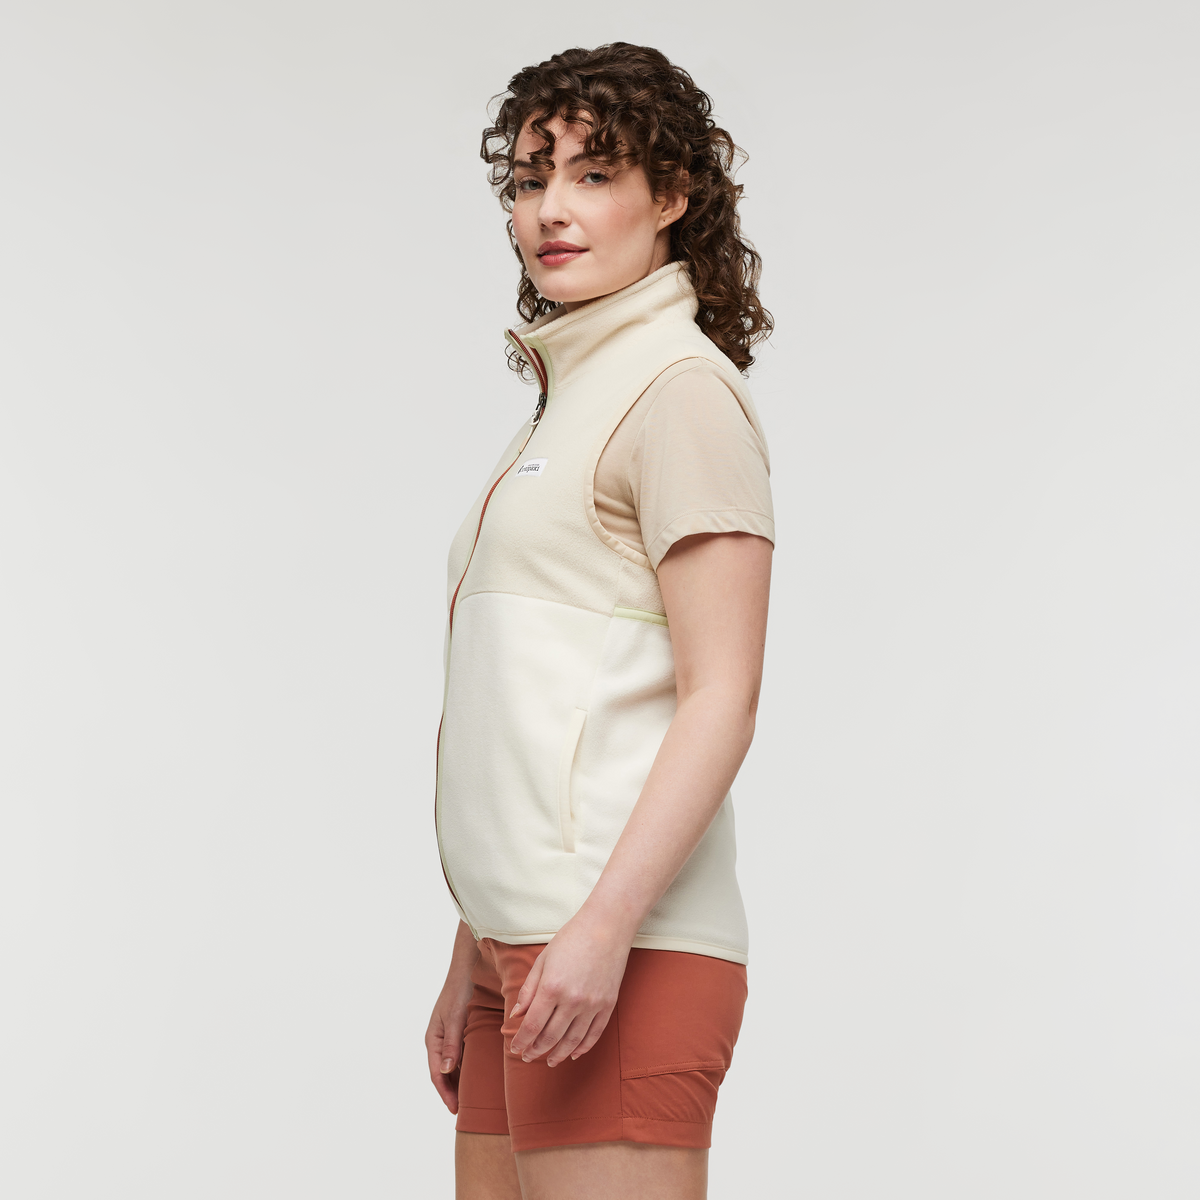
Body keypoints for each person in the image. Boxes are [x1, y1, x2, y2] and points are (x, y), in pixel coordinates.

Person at [425, 43, 774, 1200]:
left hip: (618, 948)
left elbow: (723, 698)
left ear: (671, 196)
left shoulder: (679, 391)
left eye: (592, 174)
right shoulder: (568, 402)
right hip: (520, 944)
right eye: (531, 181)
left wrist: (604, 929)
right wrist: (471, 949)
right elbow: (528, 713)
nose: (551, 211)